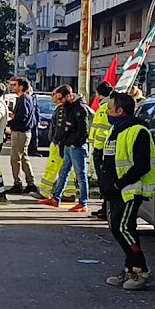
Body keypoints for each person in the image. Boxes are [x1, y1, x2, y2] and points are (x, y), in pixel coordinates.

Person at [102, 91, 155, 290]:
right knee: (121, 228)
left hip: (129, 189)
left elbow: (142, 165)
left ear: (120, 111)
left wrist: (118, 184)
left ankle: (141, 269)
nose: (107, 111)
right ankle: (129, 269)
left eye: (110, 108)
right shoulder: (116, 129)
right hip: (116, 190)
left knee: (122, 228)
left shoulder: (138, 130)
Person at [41, 85, 91, 213]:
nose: (60, 102)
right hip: (68, 145)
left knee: (81, 174)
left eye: (61, 98)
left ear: (69, 95)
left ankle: (83, 203)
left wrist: (74, 142)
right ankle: (56, 198)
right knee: (64, 172)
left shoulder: (80, 108)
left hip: (77, 147)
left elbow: (83, 130)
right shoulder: (69, 106)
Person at [88, 81, 115, 218]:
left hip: (103, 150)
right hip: (101, 148)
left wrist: (98, 147)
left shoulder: (105, 108)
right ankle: (105, 207)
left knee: (105, 181)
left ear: (99, 94)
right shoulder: (106, 106)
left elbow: (104, 130)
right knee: (104, 180)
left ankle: (106, 208)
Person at [7, 77, 38, 194]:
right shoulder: (26, 98)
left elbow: (22, 117)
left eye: (14, 85)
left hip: (20, 132)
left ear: (21, 87)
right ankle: (30, 183)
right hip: (23, 132)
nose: (12, 87)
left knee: (15, 159)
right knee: (24, 158)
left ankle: (17, 183)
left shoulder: (24, 99)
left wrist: (12, 116)